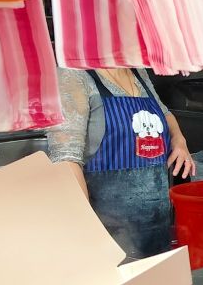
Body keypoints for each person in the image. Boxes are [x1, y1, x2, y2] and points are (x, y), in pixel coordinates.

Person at [47, 67, 195, 260]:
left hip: (156, 231)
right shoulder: (73, 76)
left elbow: (165, 113)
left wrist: (179, 139)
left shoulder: (137, 73)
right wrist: (85, 229)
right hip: (107, 236)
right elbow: (66, 161)